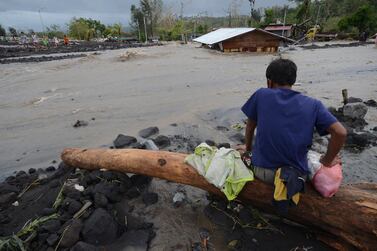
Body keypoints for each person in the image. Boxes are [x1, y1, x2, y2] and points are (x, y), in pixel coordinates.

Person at [240, 58, 347, 184]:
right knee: (313, 155)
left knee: (244, 156)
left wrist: (247, 149)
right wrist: (327, 161)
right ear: (293, 81)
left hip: (263, 173)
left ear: (269, 82)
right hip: (296, 177)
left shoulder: (261, 95)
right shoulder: (313, 104)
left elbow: (250, 126)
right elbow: (340, 132)